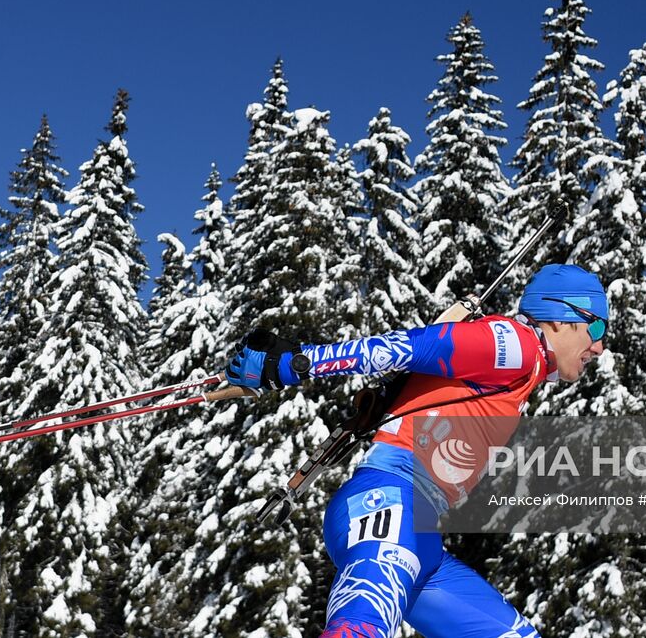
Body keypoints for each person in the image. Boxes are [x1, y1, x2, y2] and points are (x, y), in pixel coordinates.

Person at [225, 263, 609, 638]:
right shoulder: (516, 345)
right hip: (388, 504)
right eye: (596, 326)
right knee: (359, 630)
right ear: (559, 317)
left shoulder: (526, 371)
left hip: (421, 537)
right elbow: (411, 346)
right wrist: (297, 364)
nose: (600, 345)